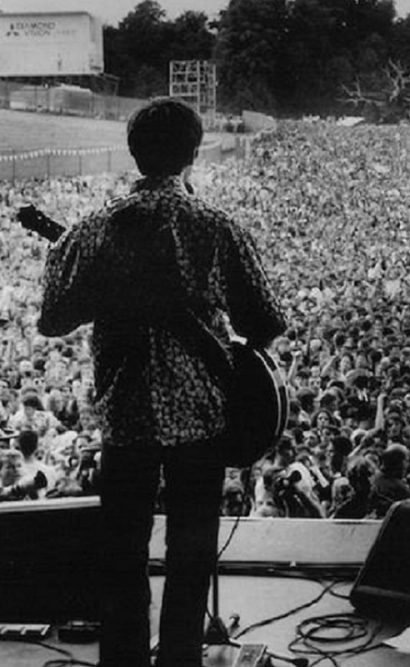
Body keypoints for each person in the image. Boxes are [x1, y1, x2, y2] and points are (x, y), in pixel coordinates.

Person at [38, 98, 287, 667]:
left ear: (134, 152)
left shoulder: (92, 231)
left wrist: (78, 272)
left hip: (124, 419)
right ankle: (181, 659)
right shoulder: (214, 227)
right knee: (191, 552)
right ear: (192, 154)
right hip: (201, 420)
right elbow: (266, 322)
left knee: (121, 555)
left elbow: (52, 319)